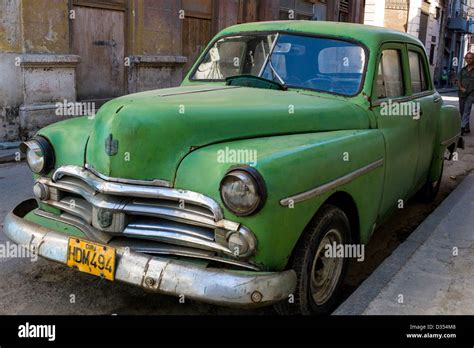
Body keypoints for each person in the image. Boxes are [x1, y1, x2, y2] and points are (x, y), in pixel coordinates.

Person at [457, 52, 474, 135]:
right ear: (465, 59)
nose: (469, 60)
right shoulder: (462, 70)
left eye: (471, 58)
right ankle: (466, 128)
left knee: (467, 110)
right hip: (462, 93)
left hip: (471, 93)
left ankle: (462, 128)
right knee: (462, 110)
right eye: (467, 58)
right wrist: (461, 88)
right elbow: (458, 80)